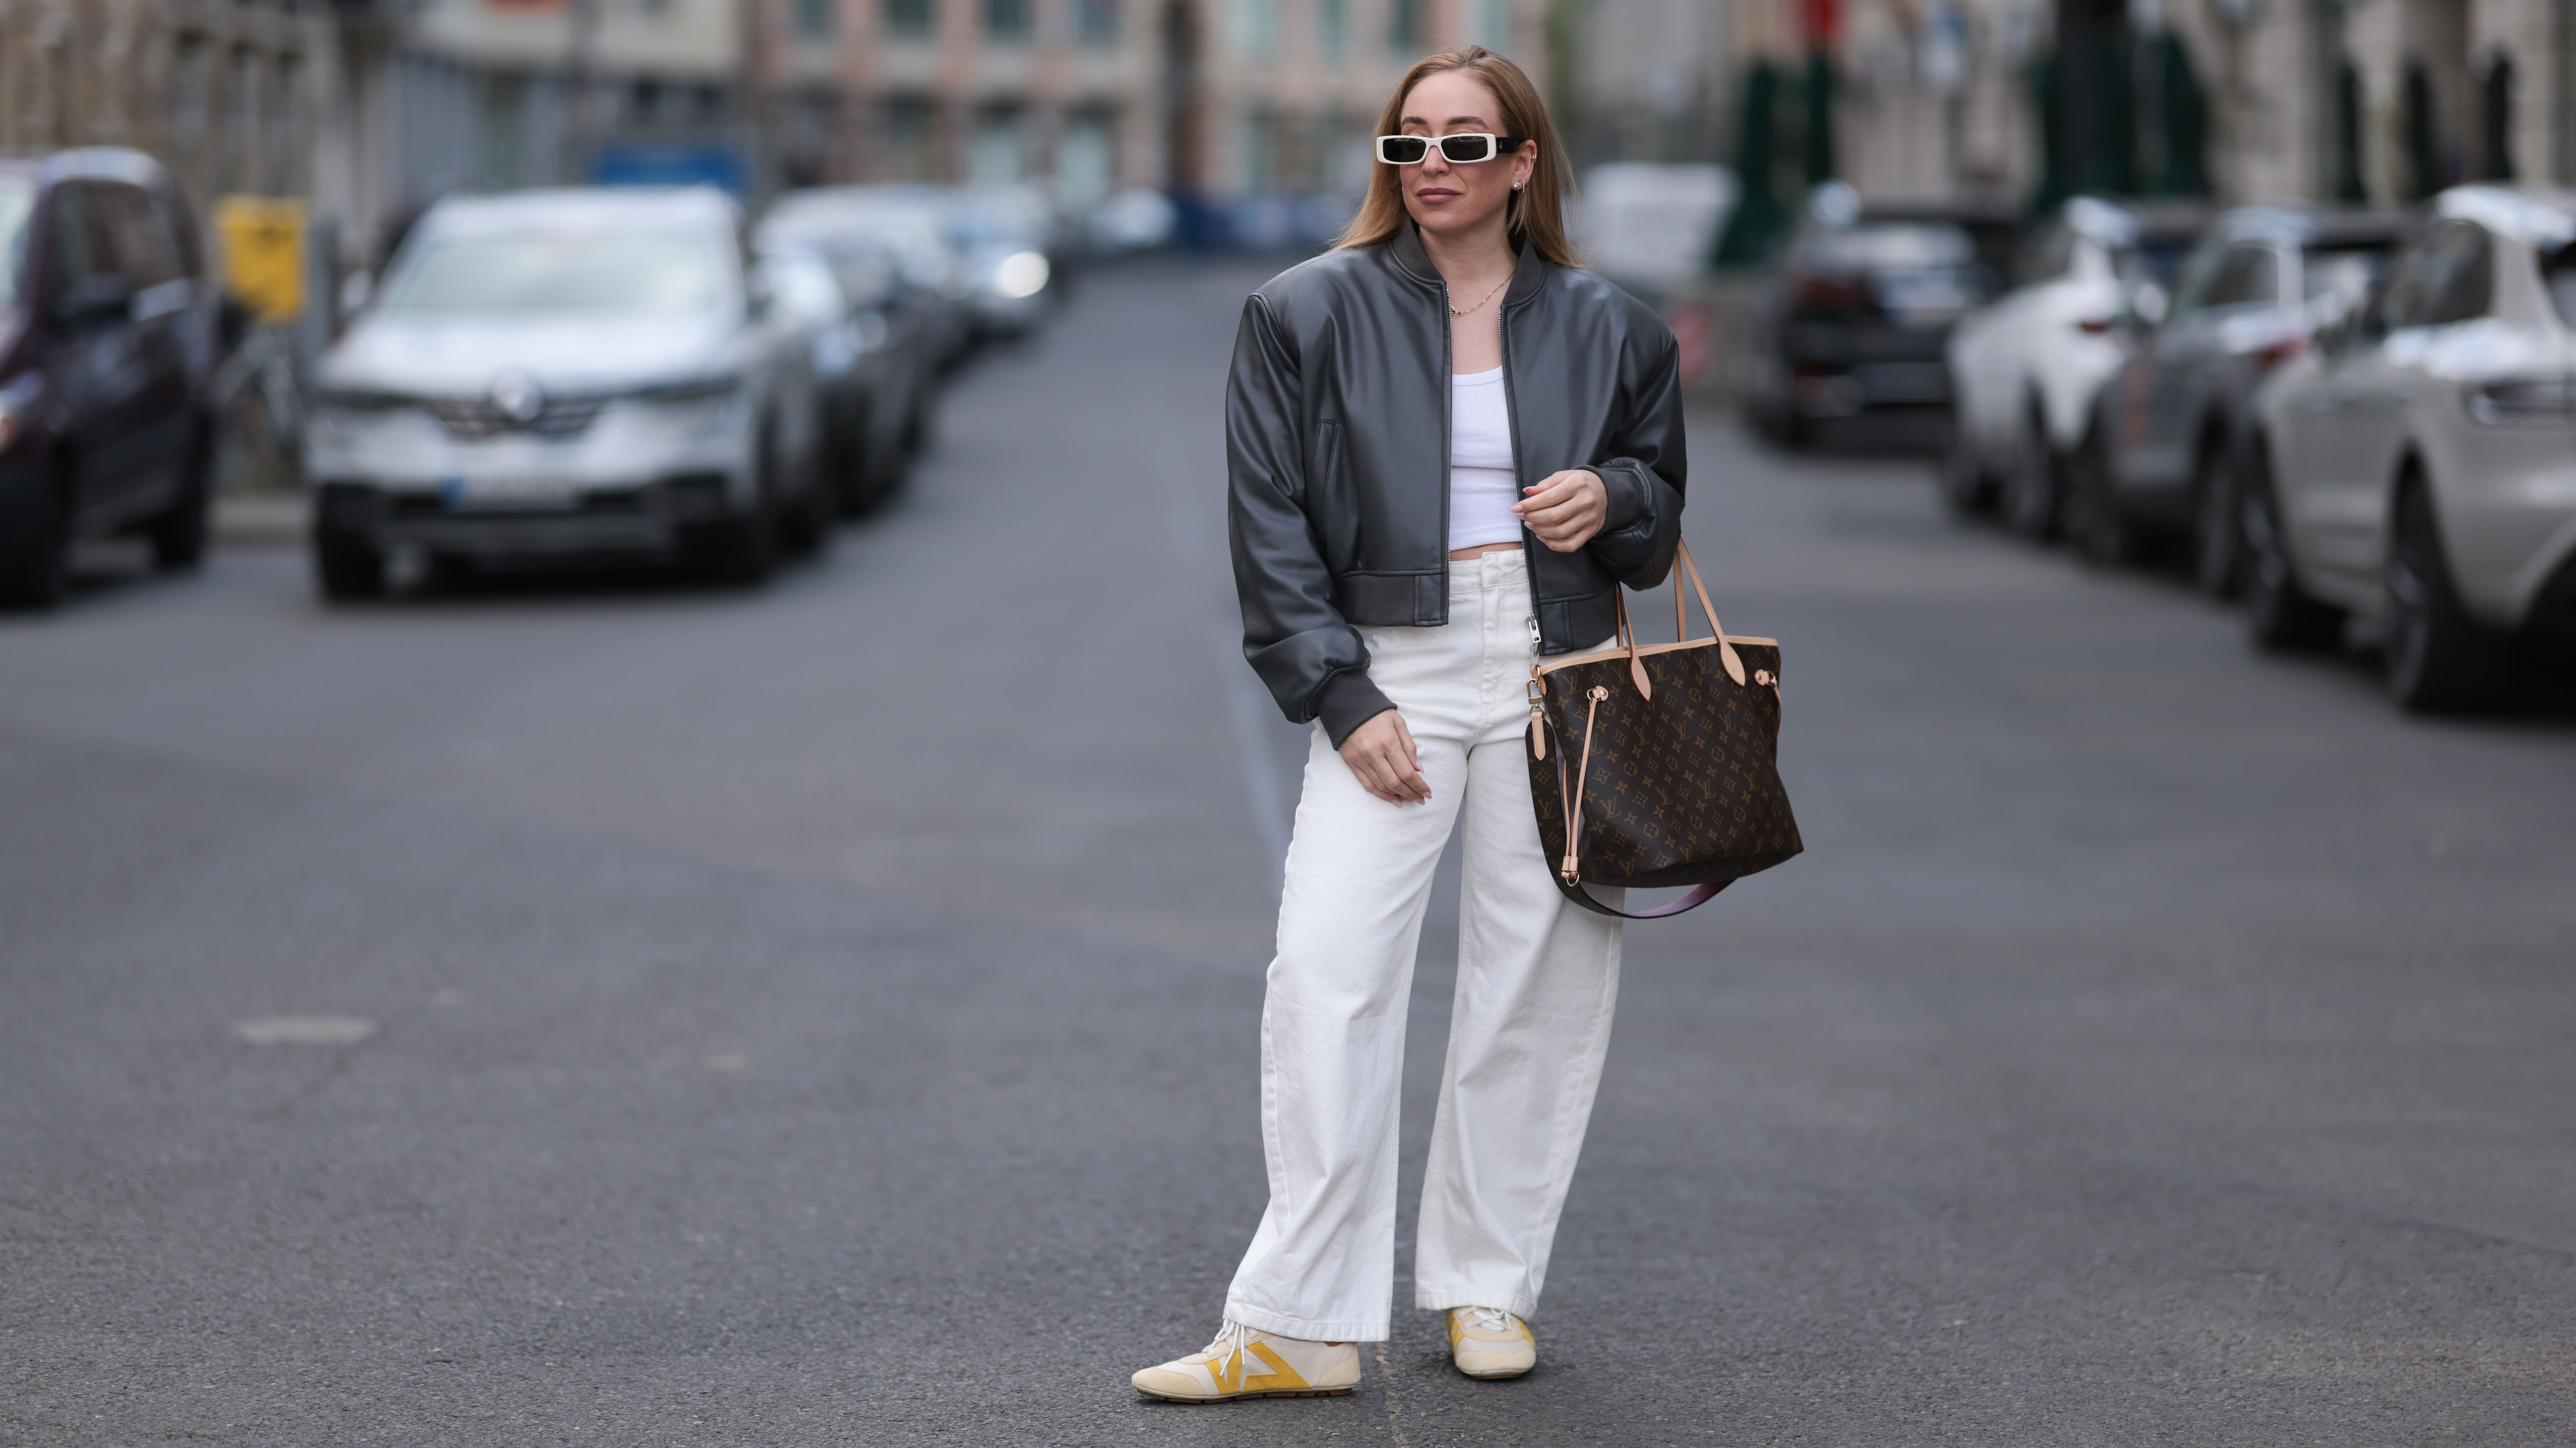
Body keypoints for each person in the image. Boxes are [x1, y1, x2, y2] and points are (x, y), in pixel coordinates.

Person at [1131, 46, 1685, 1403]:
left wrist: (1610, 499)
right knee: (1325, 974)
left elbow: (1659, 524)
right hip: (1392, 663)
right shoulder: (1300, 312)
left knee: (1534, 986)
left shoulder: (1613, 324)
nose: (1428, 164)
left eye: (1458, 141)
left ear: (1519, 164)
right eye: (1407, 143)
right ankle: (1302, 1326)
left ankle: (1486, 1288)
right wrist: (1338, 690)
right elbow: (1266, 525)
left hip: (1557, 665)